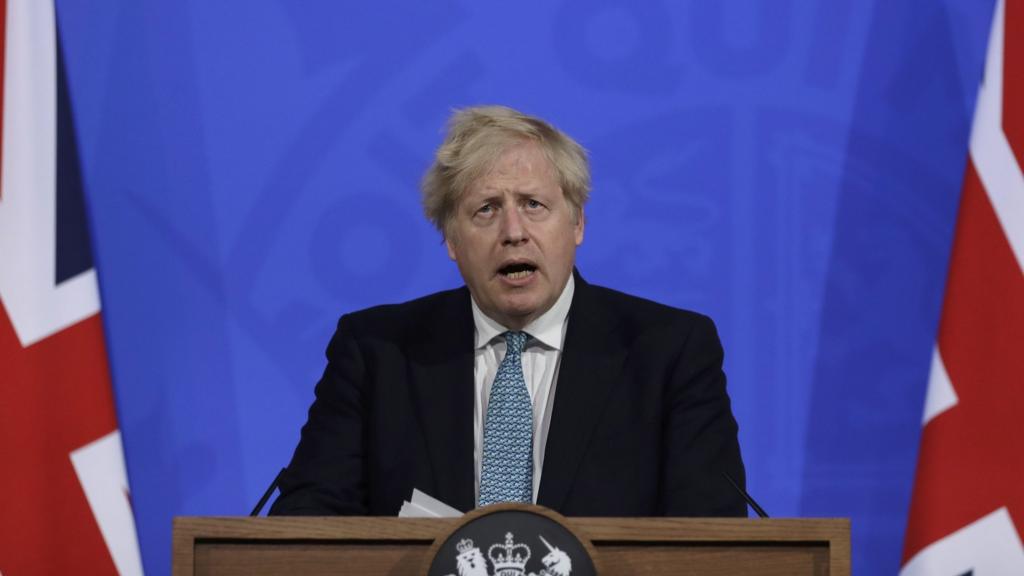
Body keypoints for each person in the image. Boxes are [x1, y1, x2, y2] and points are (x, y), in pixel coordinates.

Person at [269, 105, 746, 517]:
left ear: (577, 223)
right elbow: (306, 525)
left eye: (534, 204)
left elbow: (711, 534)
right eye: (486, 210)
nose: (513, 231)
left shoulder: (669, 351)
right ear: (451, 239)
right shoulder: (376, 353)